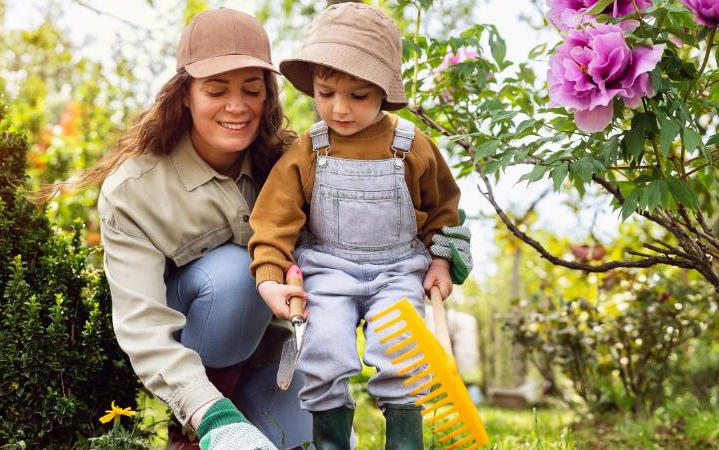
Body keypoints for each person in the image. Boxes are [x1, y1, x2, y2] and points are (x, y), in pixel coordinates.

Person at [247, 3, 473, 449]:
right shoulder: (309, 151)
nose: (340, 108)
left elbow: (445, 209)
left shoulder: (411, 146)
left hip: (398, 271)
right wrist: (271, 277)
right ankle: (332, 442)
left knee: (402, 357)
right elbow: (274, 221)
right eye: (326, 93)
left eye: (358, 96)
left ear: (384, 91)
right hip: (328, 270)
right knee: (325, 354)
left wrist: (442, 262)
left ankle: (404, 442)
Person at [92, 8, 311, 450]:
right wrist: (211, 415)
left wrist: (440, 238)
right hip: (186, 351)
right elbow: (144, 328)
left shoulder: (292, 165)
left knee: (310, 440)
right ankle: (196, 424)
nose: (237, 107)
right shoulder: (135, 191)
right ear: (185, 96)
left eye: (252, 90)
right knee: (235, 274)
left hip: (270, 348)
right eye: (216, 90)